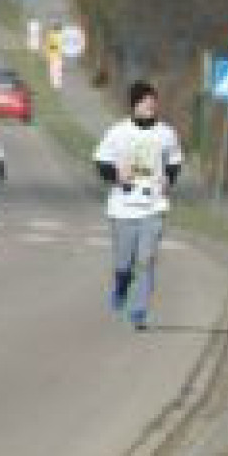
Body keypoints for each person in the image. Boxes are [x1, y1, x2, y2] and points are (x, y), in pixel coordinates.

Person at [93, 81, 184, 330]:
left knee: (146, 260)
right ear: (134, 105)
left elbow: (175, 162)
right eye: (145, 102)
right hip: (122, 207)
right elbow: (100, 162)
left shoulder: (166, 132)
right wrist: (116, 175)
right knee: (124, 262)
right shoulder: (118, 131)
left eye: (153, 101)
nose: (151, 105)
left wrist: (169, 178)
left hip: (153, 206)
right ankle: (121, 284)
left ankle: (139, 310)